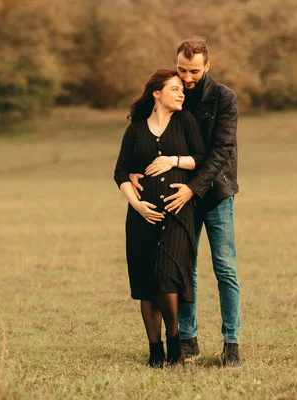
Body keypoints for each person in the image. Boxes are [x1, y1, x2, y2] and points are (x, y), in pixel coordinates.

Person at [130, 36, 242, 366]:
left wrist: (192, 188)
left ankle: (231, 342)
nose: (188, 78)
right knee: (183, 270)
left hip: (216, 194)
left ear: (207, 66)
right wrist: (135, 170)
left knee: (225, 269)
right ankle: (188, 338)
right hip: (180, 198)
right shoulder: (173, 92)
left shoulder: (224, 99)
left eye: (194, 71)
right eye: (182, 69)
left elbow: (221, 151)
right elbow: (149, 129)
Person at [114, 69, 205, 368]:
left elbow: (201, 158)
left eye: (182, 90)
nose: (181, 93)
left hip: (178, 214)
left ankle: (175, 344)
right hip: (142, 218)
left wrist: (173, 161)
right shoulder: (136, 130)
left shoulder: (186, 121)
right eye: (175, 89)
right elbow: (120, 172)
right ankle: (155, 352)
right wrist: (137, 205)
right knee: (146, 285)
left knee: (167, 279)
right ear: (157, 93)